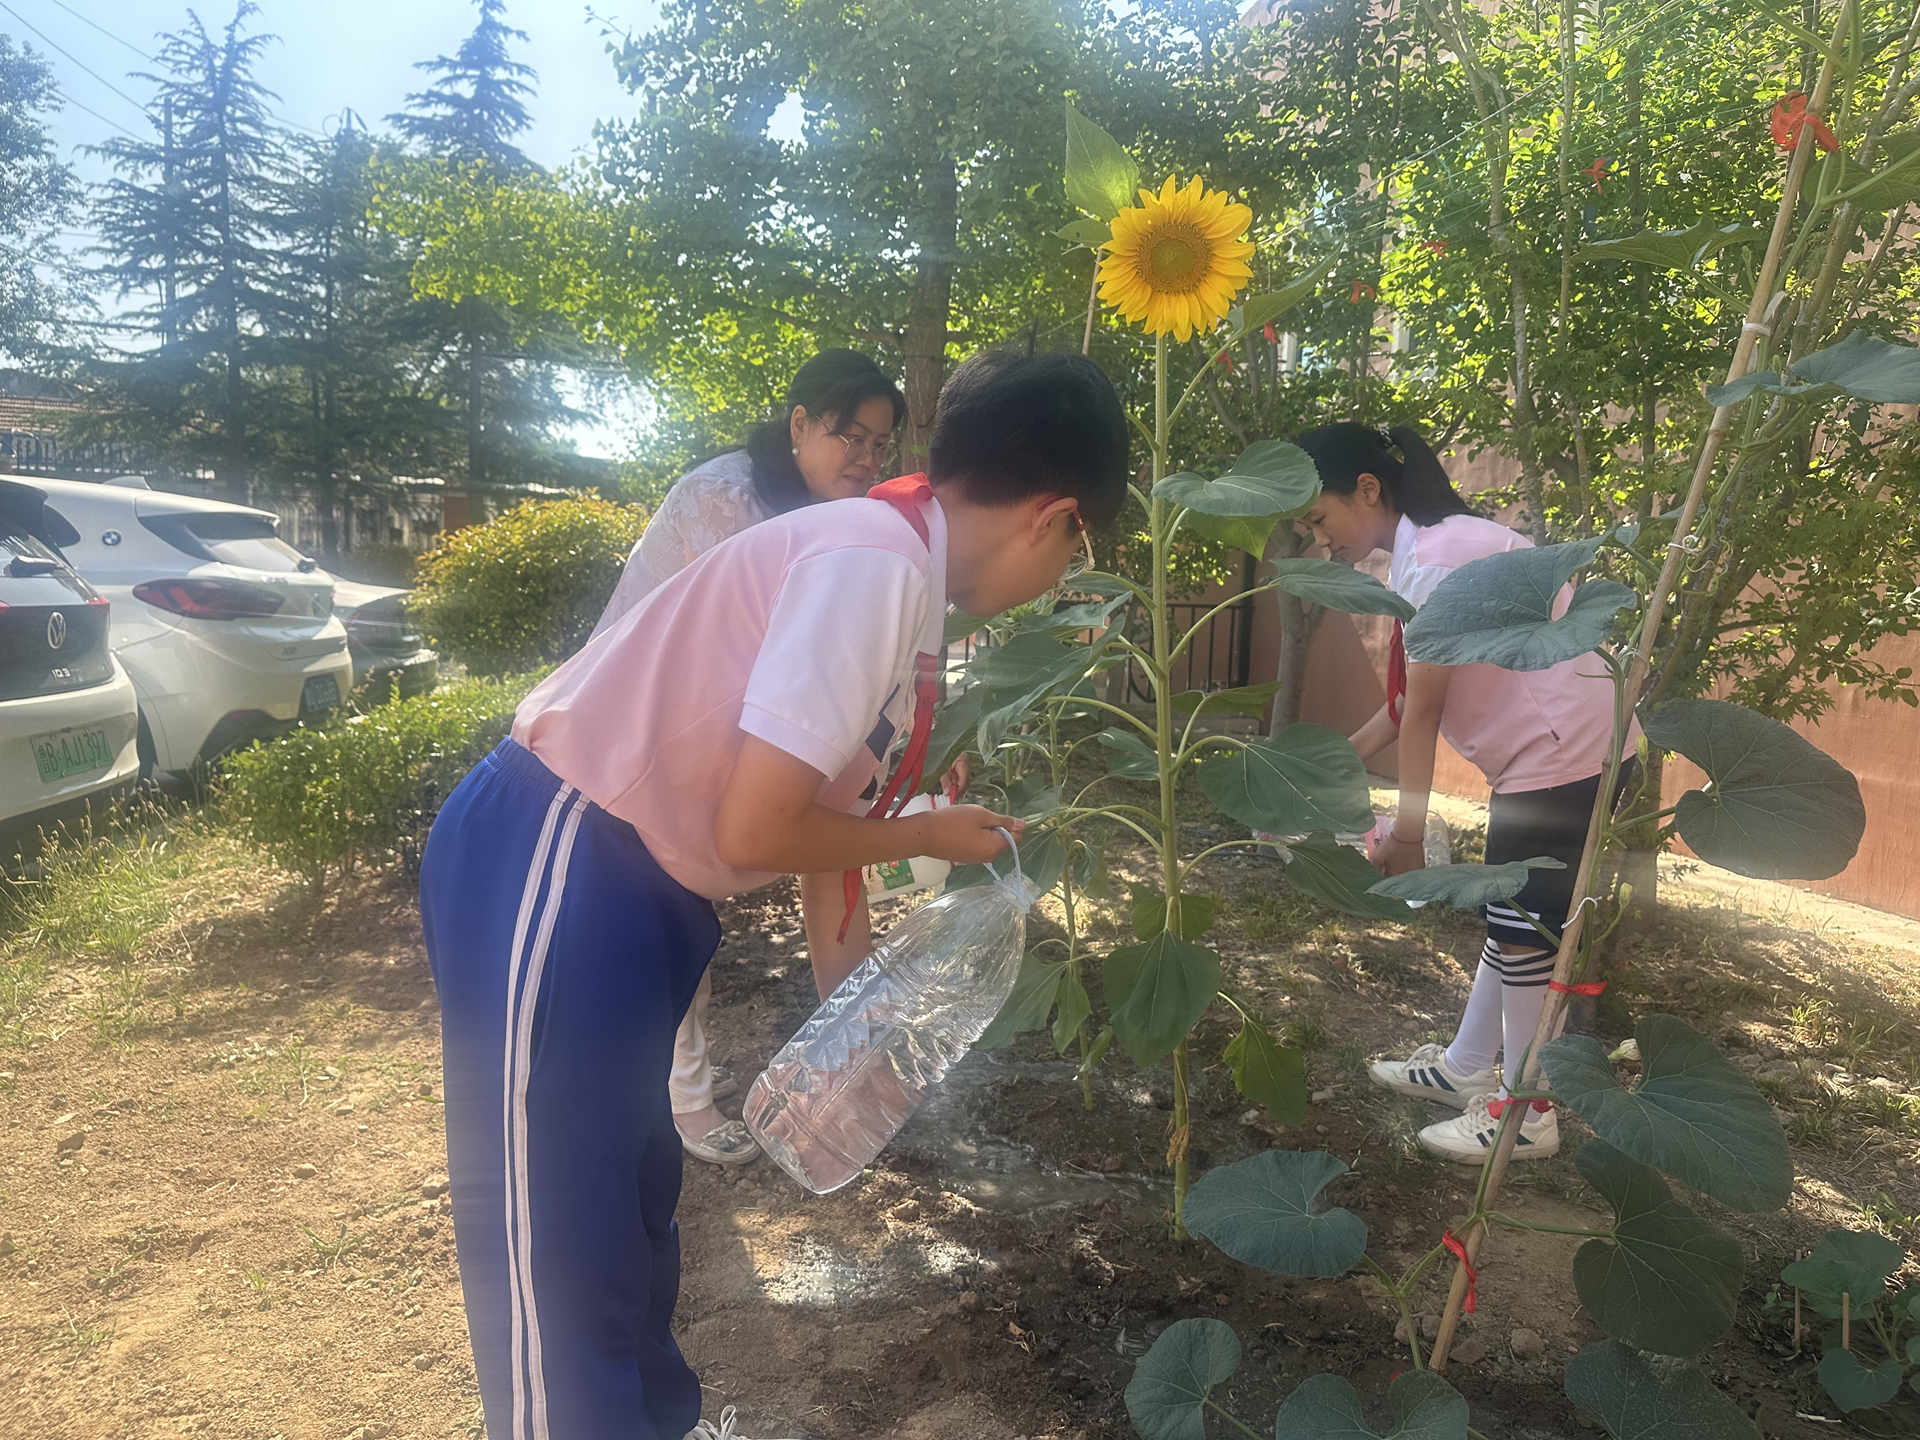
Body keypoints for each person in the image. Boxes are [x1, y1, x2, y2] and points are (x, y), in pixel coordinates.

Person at [418, 349, 1130, 1440]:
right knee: (557, 1237)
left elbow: (805, 820)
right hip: (562, 852)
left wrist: (858, 1019)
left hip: (639, 885)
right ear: (1057, 518)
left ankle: (653, 1421)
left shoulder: (901, 575)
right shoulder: (876, 564)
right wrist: (927, 831)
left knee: (631, 1194)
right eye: (1080, 555)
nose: (1063, 578)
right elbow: (763, 828)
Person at [592, 349, 918, 1170]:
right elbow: (729, 640)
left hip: (732, 727)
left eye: (881, 445)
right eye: (850, 434)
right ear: (798, 423)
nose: (866, 458)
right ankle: (685, 1102)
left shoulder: (846, 517)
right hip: (647, 725)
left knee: (758, 888)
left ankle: (847, 1075)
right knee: (672, 908)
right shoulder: (724, 496)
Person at [1293, 422, 1629, 1164]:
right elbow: (1406, 700)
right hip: (1554, 752)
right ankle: (1465, 1066)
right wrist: (1322, 776)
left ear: (1368, 489)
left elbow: (1424, 712)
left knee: (1522, 931)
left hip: (1565, 755)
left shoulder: (1439, 558)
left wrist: (1409, 834)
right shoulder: (1429, 547)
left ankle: (1526, 1111)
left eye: (1320, 519)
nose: (1321, 541)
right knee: (1508, 915)